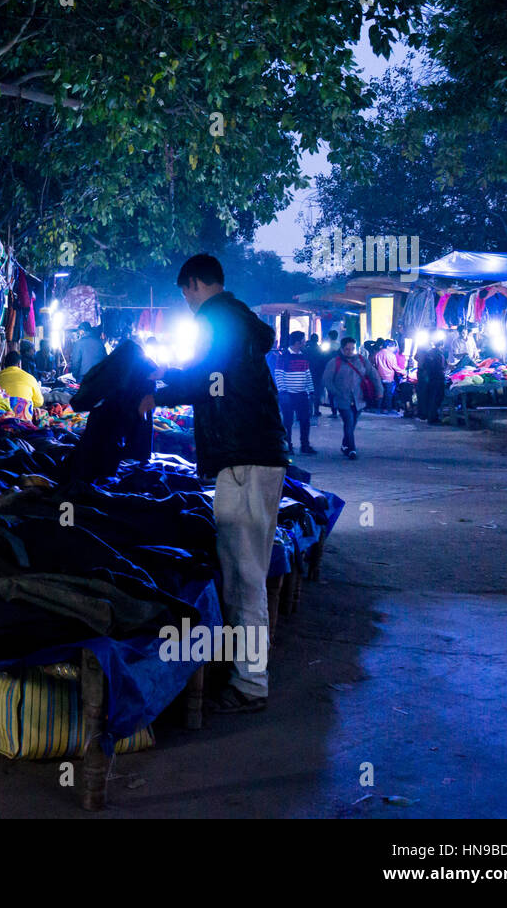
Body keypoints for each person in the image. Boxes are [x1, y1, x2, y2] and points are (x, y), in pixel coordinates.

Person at [138, 254, 287, 714]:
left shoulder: (218, 318)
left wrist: (157, 396)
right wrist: (169, 377)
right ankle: (246, 673)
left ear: (197, 285)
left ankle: (250, 683)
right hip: (259, 457)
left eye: (185, 293)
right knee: (249, 574)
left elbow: (211, 381)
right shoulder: (238, 321)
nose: (186, 303)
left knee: (245, 578)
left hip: (243, 460)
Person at [70, 339, 157, 481]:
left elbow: (82, 399)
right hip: (132, 424)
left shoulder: (109, 367)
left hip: (106, 423)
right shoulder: (146, 369)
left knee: (96, 463)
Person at [322, 337, 381, 459]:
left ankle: (345, 444)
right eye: (347, 349)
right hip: (343, 399)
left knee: (352, 423)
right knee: (348, 422)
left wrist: (379, 390)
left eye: (352, 349)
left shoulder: (362, 360)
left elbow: (373, 375)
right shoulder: (335, 362)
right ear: (342, 349)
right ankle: (352, 449)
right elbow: (327, 380)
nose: (350, 351)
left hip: (359, 399)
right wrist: (337, 392)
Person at [273, 331, 317, 455]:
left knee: (305, 420)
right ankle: (288, 445)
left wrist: (311, 390)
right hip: (288, 395)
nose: (305, 343)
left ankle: (305, 445)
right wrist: (283, 391)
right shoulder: (284, 356)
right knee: (287, 421)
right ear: (297, 342)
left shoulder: (303, 356)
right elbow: (279, 374)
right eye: (303, 341)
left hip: (302, 394)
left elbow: (307, 374)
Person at [416, 338, 447, 424]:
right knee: (436, 398)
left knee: (430, 398)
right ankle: (433, 418)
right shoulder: (439, 355)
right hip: (437, 379)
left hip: (430, 378)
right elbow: (441, 367)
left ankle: (429, 416)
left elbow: (423, 364)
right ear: (441, 346)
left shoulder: (429, 353)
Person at [374, 340, 406, 414]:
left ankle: (378, 408)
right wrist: (403, 372)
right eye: (393, 347)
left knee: (380, 393)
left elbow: (375, 365)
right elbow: (394, 366)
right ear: (388, 346)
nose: (394, 349)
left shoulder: (378, 354)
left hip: (379, 377)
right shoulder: (391, 355)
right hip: (388, 377)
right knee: (388, 394)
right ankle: (386, 409)